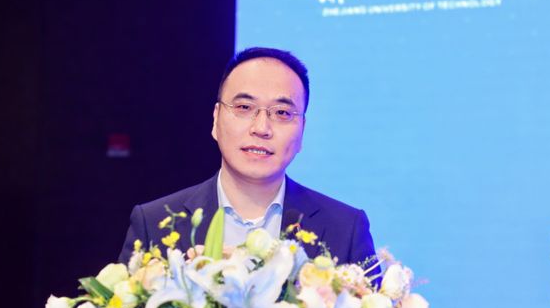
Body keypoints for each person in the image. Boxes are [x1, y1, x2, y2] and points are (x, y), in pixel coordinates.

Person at [119, 47, 375, 265]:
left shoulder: (346, 229)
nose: (261, 128)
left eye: (282, 113)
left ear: (302, 130)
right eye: (244, 107)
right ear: (216, 119)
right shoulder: (153, 223)